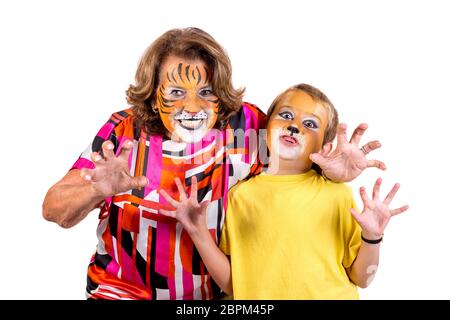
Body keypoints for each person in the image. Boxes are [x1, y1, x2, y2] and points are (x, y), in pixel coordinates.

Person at [42, 27, 386, 300]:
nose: (192, 106)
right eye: (176, 92)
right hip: (121, 293)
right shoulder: (126, 130)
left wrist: (332, 171)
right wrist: (96, 188)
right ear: (152, 90)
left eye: (206, 91)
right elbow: (54, 208)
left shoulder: (246, 125)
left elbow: (299, 152)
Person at [159, 83, 409, 299]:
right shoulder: (240, 195)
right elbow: (236, 283)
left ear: (325, 145)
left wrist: (372, 237)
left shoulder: (337, 194)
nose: (294, 126)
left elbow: (363, 279)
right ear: (266, 127)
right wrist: (198, 232)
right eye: (286, 115)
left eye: (310, 124)